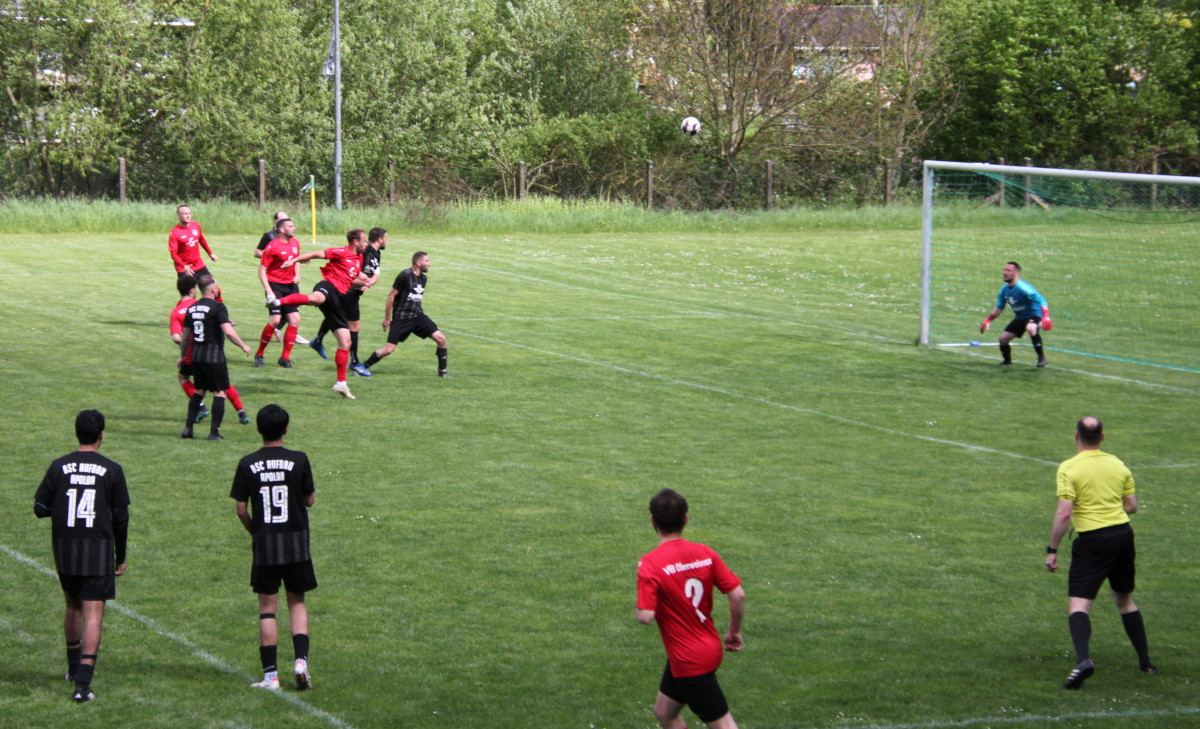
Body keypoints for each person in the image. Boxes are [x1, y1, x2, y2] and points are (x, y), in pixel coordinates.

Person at [1046, 416, 1157, 689]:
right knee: (1124, 600)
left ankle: (1084, 660)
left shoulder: (1069, 468)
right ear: (1103, 437)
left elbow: (1064, 513)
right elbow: (1131, 506)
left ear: (1076, 436)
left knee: (1080, 604)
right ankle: (1146, 663)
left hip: (1093, 541)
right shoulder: (1117, 464)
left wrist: (1052, 550)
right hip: (1122, 536)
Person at [33, 409, 130, 703]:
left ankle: (74, 671)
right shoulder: (111, 469)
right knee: (93, 614)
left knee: (73, 606)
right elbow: (121, 518)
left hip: (65, 549)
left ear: (77, 433)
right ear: (101, 434)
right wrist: (120, 556)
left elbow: (40, 507)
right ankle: (83, 687)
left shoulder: (58, 466)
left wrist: (60, 510)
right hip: (97, 550)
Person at [636, 489, 745, 729]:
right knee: (664, 712)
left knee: (725, 725)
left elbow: (645, 617)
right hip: (706, 647)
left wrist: (640, 603)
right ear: (685, 519)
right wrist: (734, 632)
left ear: (653, 521)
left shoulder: (650, 563)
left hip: (689, 661)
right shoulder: (705, 553)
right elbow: (738, 594)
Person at [230, 404, 317, 692]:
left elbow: (241, 510)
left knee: (267, 610)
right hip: (295, 543)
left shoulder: (247, 463)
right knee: (297, 603)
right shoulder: (299, 459)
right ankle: (301, 662)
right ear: (286, 429)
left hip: (266, 545)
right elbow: (310, 500)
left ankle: (271, 677)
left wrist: (257, 532)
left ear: (257, 429)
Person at [267, 229, 369, 399]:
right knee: (316, 298)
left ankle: (341, 384)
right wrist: (294, 260)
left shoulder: (359, 258)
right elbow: (317, 253)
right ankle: (277, 302)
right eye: (364, 241)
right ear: (355, 242)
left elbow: (352, 278)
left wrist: (365, 281)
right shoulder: (342, 251)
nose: (366, 244)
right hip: (327, 286)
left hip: (338, 299)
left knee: (346, 341)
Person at [179, 275, 252, 439]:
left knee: (199, 391)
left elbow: (185, 337)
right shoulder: (218, 307)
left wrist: (183, 356)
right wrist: (243, 345)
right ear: (213, 289)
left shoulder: (192, 308)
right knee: (219, 393)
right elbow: (228, 331)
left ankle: (188, 429)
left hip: (196, 356)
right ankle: (214, 432)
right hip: (214, 357)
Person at [310, 227, 387, 377]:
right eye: (386, 238)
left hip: (353, 292)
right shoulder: (365, 249)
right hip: (348, 292)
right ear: (380, 239)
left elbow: (375, 271)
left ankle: (318, 340)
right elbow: (351, 269)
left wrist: (371, 281)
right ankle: (354, 363)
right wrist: (360, 281)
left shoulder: (376, 253)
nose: (386, 241)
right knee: (353, 327)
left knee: (336, 317)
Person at [361, 251, 450, 378]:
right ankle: (363, 366)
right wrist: (387, 318)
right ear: (418, 263)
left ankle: (443, 372)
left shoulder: (423, 278)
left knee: (441, 338)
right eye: (427, 261)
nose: (429, 264)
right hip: (402, 319)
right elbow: (391, 295)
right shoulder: (404, 276)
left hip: (418, 317)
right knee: (388, 350)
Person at [980, 261, 1052, 367]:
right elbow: (1000, 307)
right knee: (1003, 339)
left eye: (1009, 270)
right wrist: (988, 320)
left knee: (1031, 328)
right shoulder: (1004, 290)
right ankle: (1007, 362)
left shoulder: (1023, 288)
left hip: (1035, 314)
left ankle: (1041, 358)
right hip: (1020, 317)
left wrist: (1046, 316)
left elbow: (1042, 300)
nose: (1005, 273)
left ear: (1016, 273)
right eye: (1004, 270)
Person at [255, 218, 304, 369]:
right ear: (282, 230)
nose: (294, 228)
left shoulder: (295, 243)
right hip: (275, 286)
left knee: (294, 319)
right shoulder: (272, 246)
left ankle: (285, 358)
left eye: (293, 225)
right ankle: (259, 353)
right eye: (290, 226)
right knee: (275, 320)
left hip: (290, 286)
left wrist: (297, 275)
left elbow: (295, 260)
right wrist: (269, 291)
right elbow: (261, 270)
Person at [168, 204, 219, 283]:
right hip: (184, 268)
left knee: (213, 289)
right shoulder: (174, 232)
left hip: (199, 265)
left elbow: (201, 240)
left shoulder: (196, 225)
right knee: (189, 294)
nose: (188, 216)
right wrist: (184, 266)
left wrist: (210, 253)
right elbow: (173, 254)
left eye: (189, 213)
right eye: (185, 214)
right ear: (179, 215)